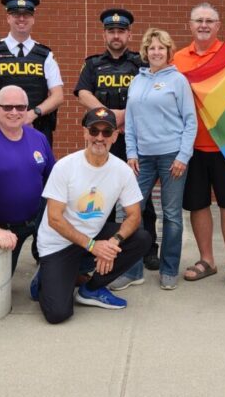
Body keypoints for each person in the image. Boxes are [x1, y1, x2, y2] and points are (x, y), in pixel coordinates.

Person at [32, 108, 152, 324]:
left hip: (93, 237)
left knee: (141, 238)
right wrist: (93, 246)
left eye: (107, 132)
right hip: (58, 244)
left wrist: (113, 244)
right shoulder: (65, 167)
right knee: (58, 314)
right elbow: (54, 219)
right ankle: (45, 278)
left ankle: (91, 289)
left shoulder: (121, 170)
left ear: (115, 136)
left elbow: (134, 215)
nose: (100, 137)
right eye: (94, 131)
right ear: (85, 133)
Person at [73, 8, 160, 270]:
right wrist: (111, 119)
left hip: (134, 141)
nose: (116, 35)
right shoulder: (93, 64)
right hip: (103, 138)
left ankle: (148, 249)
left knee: (140, 197)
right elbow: (82, 93)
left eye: (121, 31)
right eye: (111, 31)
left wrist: (125, 117)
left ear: (129, 34)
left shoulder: (140, 63)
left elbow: (152, 93)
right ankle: (103, 245)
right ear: (105, 35)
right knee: (103, 194)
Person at [112, 28, 197, 291]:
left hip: (172, 156)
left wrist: (183, 155)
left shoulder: (178, 80)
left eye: (161, 48)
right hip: (142, 159)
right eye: (152, 48)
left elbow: (190, 121)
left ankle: (169, 269)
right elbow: (131, 122)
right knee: (129, 211)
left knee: (171, 214)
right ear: (145, 52)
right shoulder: (137, 81)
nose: (156, 52)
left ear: (168, 52)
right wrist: (132, 153)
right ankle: (132, 270)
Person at [172, 3, 225, 289]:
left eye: (209, 21)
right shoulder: (176, 59)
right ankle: (207, 260)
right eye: (198, 20)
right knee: (198, 205)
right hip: (189, 148)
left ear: (219, 26)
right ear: (189, 25)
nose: (203, 25)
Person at [0, 85, 55, 275]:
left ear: (27, 109)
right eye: (7, 107)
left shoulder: (39, 138)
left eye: (20, 107)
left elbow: (54, 179)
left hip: (38, 220)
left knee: (52, 282)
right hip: (6, 227)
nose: (14, 112)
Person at [0, 0, 64, 147]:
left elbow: (58, 96)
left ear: (33, 19)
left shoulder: (45, 55)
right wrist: (12, 117)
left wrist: (32, 114)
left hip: (36, 129)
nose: (21, 19)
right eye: (16, 14)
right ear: (8, 18)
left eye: (26, 15)